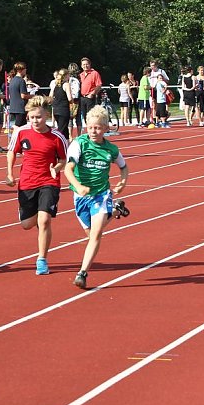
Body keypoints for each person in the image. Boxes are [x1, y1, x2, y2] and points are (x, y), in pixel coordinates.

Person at [63, 106, 130, 289]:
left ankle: (82, 273)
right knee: (90, 234)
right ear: (86, 126)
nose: (94, 131)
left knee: (96, 234)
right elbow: (68, 169)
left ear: (106, 128)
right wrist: (78, 186)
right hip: (81, 196)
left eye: (98, 128)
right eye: (91, 127)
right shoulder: (79, 144)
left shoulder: (111, 149)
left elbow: (123, 167)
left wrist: (123, 182)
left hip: (101, 194)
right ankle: (116, 210)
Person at [5, 96, 69, 275]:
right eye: (32, 117)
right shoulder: (22, 132)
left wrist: (56, 168)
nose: (35, 121)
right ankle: (29, 216)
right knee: (27, 224)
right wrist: (10, 174)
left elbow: (64, 159)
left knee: (44, 220)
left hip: (49, 181)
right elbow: (11, 152)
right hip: (27, 182)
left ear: (47, 115)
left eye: (39, 117)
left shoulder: (57, 136)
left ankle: (42, 259)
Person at [77, 57, 102, 134]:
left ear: (90, 64)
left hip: (90, 98)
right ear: (81, 66)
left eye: (87, 64)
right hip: (82, 98)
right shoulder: (80, 75)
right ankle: (89, 132)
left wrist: (93, 93)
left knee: (90, 116)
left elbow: (99, 85)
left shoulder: (94, 73)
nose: (85, 66)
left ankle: (92, 133)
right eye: (83, 64)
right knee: (84, 116)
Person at [49, 69, 73, 141]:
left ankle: (65, 145)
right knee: (62, 129)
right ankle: (59, 146)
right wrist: (72, 101)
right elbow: (69, 98)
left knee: (62, 128)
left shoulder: (55, 84)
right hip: (64, 109)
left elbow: (50, 96)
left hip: (56, 109)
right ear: (66, 75)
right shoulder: (66, 84)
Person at [7, 61, 32, 130]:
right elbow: (23, 96)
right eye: (24, 69)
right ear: (20, 70)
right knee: (18, 128)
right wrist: (33, 96)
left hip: (13, 107)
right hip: (20, 108)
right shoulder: (21, 81)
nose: (26, 70)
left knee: (23, 128)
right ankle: (14, 140)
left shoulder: (12, 80)